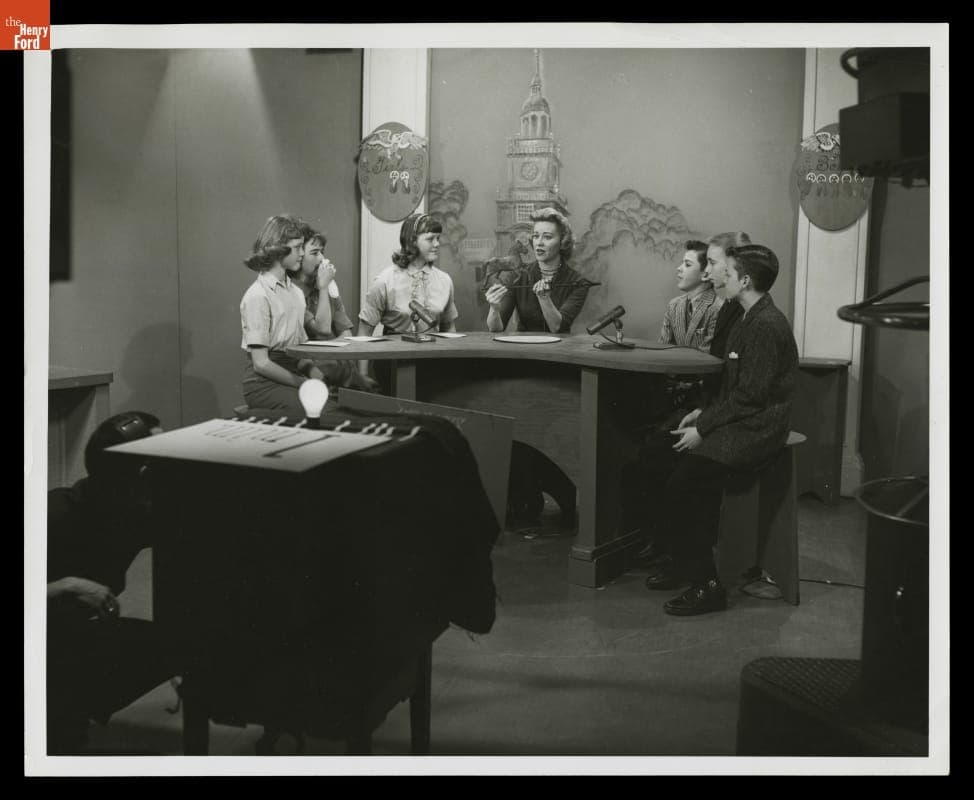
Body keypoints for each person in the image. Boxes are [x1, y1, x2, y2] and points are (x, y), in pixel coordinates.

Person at [644, 244, 799, 616]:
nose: (718, 278)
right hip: (741, 418)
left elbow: (750, 398)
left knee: (685, 483)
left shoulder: (765, 324)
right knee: (659, 456)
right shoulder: (747, 315)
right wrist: (702, 413)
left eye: (724, 272)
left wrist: (704, 428)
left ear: (744, 280)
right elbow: (738, 390)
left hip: (758, 429)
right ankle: (684, 563)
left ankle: (707, 585)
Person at [47, 411, 176, 753]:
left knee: (170, 644)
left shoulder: (133, 512)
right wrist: (66, 587)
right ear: (142, 472)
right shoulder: (56, 515)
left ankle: (71, 712)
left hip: (73, 635)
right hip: (39, 644)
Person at [239, 214, 328, 416]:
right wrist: (302, 382)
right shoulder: (257, 296)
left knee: (332, 406)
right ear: (279, 249)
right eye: (297, 248)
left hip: (291, 375)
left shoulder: (295, 293)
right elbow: (261, 363)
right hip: (262, 385)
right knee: (317, 411)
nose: (301, 254)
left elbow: (296, 352)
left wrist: (314, 373)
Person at [293, 226, 380, 396]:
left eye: (322, 252)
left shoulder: (329, 286)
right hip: (313, 371)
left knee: (373, 391)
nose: (322, 258)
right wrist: (323, 287)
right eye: (315, 253)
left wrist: (325, 287)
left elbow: (346, 334)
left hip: (339, 367)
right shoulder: (294, 292)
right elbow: (323, 329)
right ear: (300, 256)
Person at [485, 208, 592, 334]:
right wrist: (494, 308)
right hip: (524, 350)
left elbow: (558, 328)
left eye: (547, 237)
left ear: (562, 242)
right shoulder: (517, 276)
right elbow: (496, 328)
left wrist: (544, 299)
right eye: (536, 236)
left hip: (560, 350)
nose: (539, 243)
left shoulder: (578, 282)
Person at [358, 213, 459, 337]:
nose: (437, 244)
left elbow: (449, 329)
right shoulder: (384, 282)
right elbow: (363, 336)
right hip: (395, 354)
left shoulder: (445, 280)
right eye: (430, 239)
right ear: (412, 241)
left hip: (434, 354)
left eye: (438, 238)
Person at [658, 240, 724, 351]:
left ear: (706, 273)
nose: (679, 268)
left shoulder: (718, 308)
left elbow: (709, 359)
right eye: (682, 263)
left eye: (687, 264)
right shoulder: (674, 305)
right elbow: (662, 348)